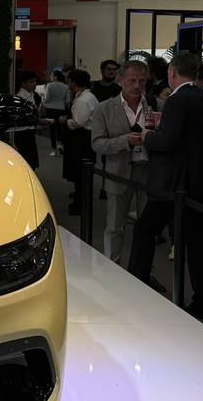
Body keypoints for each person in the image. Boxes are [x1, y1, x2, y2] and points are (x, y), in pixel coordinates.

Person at [127, 51, 203, 321]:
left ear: (172, 71)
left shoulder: (177, 100)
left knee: (145, 230)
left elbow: (167, 142)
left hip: (172, 184)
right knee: (198, 242)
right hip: (201, 182)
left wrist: (147, 136)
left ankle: (136, 285)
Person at [91, 60, 156, 264]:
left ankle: (144, 271)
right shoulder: (104, 109)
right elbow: (97, 143)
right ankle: (111, 269)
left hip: (148, 172)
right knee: (115, 227)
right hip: (117, 172)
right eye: (132, 80)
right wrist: (124, 141)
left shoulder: (155, 106)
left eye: (142, 81)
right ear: (120, 80)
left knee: (147, 228)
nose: (137, 85)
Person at [60, 69, 98, 214]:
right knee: (80, 172)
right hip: (83, 138)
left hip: (81, 139)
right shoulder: (85, 96)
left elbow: (78, 122)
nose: (68, 84)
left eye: (69, 81)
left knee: (80, 172)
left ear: (74, 82)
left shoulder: (83, 100)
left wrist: (65, 121)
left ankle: (80, 204)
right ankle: (79, 197)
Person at [12, 70, 41, 169]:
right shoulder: (19, 97)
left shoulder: (35, 95)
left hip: (31, 132)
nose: (34, 84)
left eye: (35, 81)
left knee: (31, 161)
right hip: (21, 133)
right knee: (25, 160)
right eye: (31, 82)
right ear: (23, 84)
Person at [42, 69, 70, 157]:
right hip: (61, 109)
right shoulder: (66, 86)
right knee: (61, 129)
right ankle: (61, 145)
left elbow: (47, 99)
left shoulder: (50, 85)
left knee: (52, 130)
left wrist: (42, 98)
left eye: (51, 75)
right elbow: (67, 100)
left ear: (55, 77)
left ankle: (54, 150)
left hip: (50, 109)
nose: (50, 77)